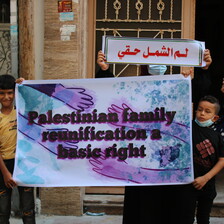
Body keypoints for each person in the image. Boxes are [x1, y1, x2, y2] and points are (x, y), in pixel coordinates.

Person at [179, 95, 224, 224]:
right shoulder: (187, 128)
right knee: (185, 218)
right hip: (187, 184)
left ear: (215, 118)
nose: (202, 114)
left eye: (207, 111)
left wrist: (205, 178)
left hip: (207, 184)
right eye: (199, 109)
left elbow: (222, 160)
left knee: (203, 219)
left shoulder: (218, 137)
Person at [0, 74, 36, 224]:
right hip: (3, 166)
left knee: (28, 209)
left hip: (23, 164)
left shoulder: (22, 113)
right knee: (2, 211)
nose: (6, 97)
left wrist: (23, 87)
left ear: (15, 93)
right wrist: (6, 173)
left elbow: (36, 106)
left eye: (10, 92)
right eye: (2, 93)